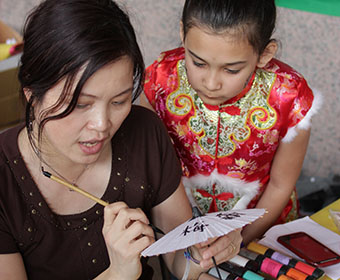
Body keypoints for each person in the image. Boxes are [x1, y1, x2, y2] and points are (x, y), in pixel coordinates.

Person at [0, 0, 242, 279]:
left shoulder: (144, 132)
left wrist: (205, 252)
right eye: (80, 104)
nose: (103, 125)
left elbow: (181, 258)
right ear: (33, 95)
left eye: (119, 100)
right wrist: (117, 273)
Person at [141, 0, 322, 245]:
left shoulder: (288, 96)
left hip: (262, 229)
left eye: (231, 70)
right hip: (180, 225)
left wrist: (241, 241)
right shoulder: (160, 81)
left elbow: (281, 186)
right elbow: (153, 168)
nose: (211, 83)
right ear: (183, 34)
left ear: (265, 54)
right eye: (198, 63)